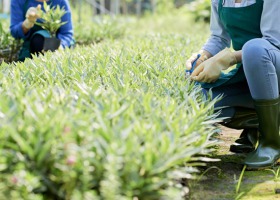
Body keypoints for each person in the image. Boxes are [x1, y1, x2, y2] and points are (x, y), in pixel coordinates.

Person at [186, 0, 280, 169]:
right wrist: (202, 57)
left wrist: (229, 58)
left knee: (255, 48)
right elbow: (218, 38)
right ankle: (258, 123)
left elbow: (274, 41)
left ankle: (271, 143)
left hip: (273, 68)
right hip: (247, 73)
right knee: (203, 100)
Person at [10, 0, 74, 61]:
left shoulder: (60, 1)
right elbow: (14, 32)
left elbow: (66, 33)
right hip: (31, 48)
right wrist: (27, 24)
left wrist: (60, 47)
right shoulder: (18, 1)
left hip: (56, 43)